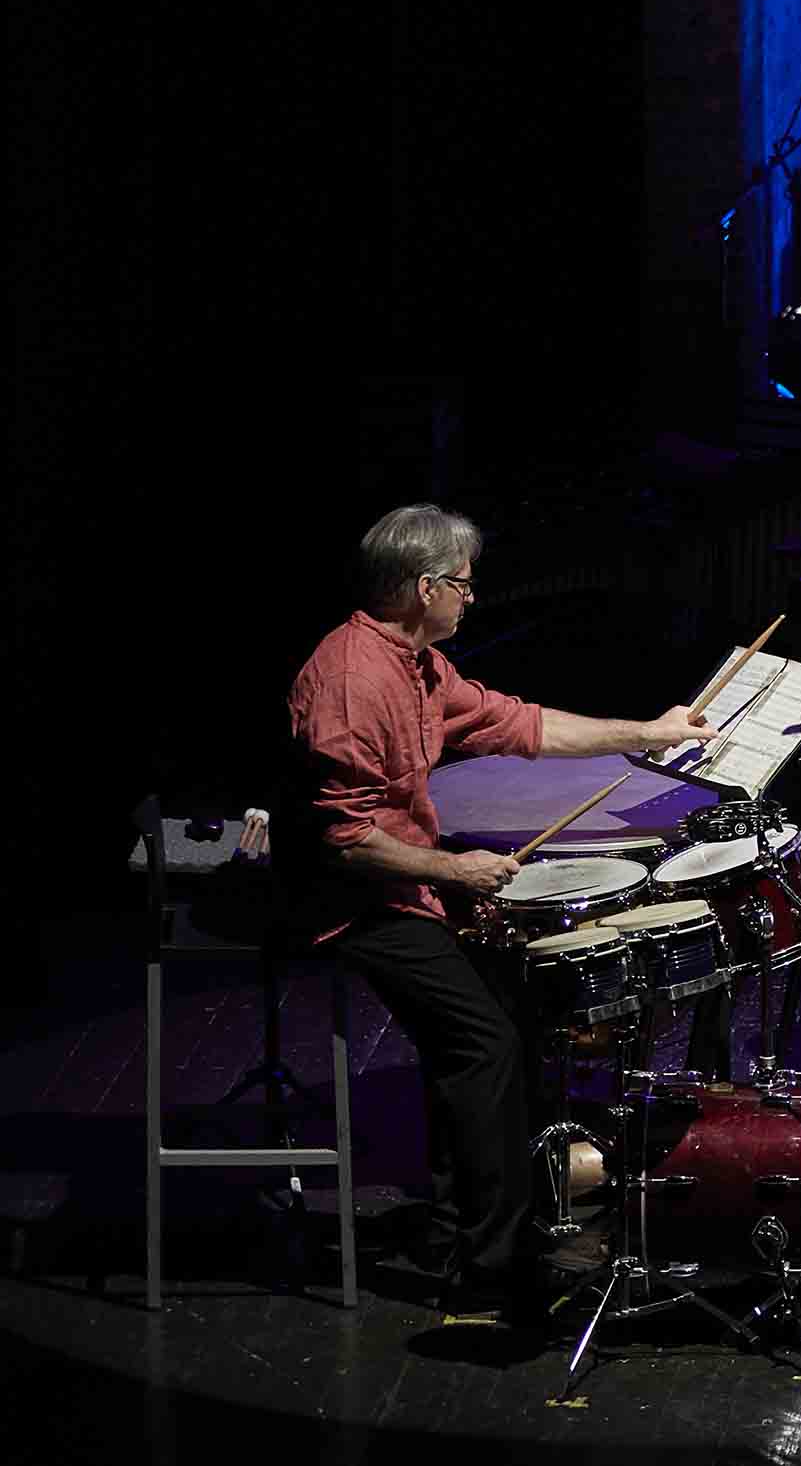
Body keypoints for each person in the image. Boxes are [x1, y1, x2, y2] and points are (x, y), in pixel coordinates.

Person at [283, 504, 716, 1317]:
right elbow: (346, 843)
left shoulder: (416, 665)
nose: (471, 600)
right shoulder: (352, 680)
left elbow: (520, 723)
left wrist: (650, 733)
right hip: (351, 901)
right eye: (462, 585)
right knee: (485, 1047)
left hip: (404, 886)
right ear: (423, 588)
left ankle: (458, 1230)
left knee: (511, 1021)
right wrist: (455, 869)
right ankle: (491, 1265)